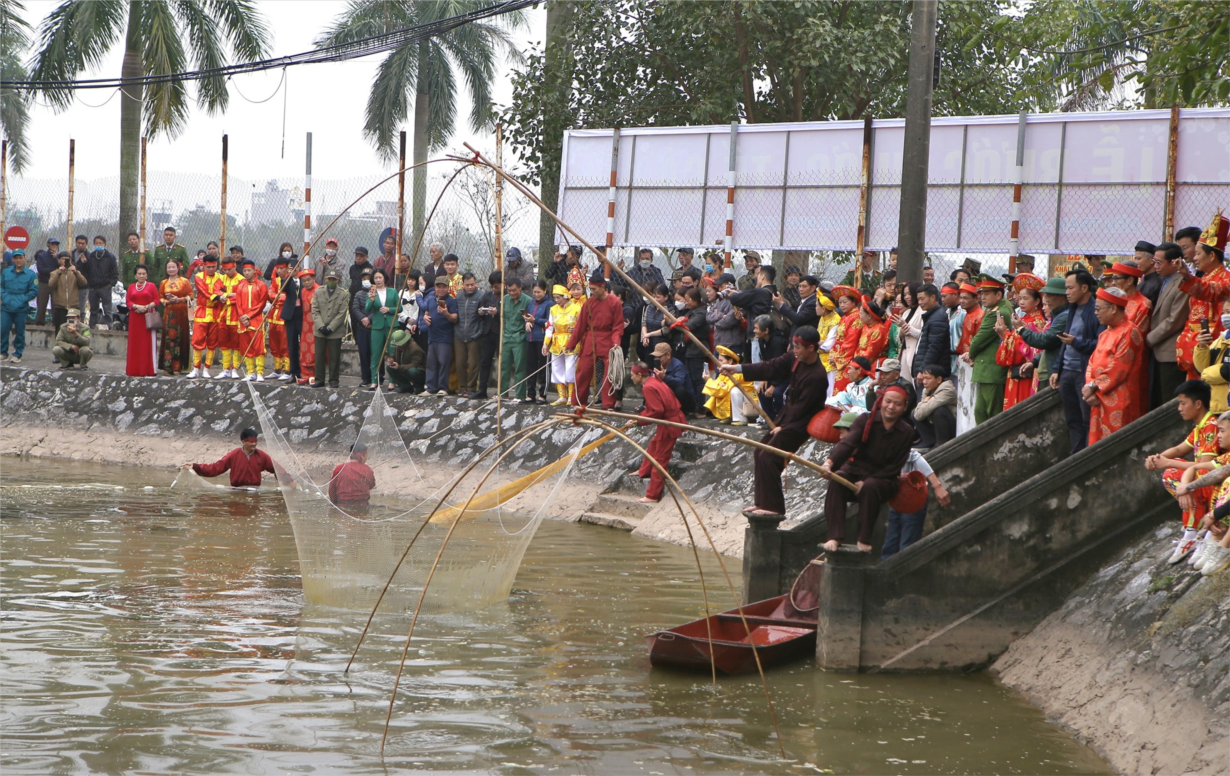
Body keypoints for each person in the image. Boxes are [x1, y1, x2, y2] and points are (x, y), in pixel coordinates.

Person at [725, 326, 829, 517]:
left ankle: (774, 507)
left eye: (798, 347)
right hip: (787, 417)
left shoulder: (818, 376)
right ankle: (761, 502)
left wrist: (783, 427)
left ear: (811, 348)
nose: (794, 351)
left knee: (770, 458)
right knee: (760, 452)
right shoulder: (794, 358)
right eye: (794, 346)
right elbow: (770, 366)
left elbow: (802, 408)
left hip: (800, 424)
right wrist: (738, 368)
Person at [820, 384, 915, 552]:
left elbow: (895, 466)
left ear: (904, 407)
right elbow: (847, 444)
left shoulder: (906, 431)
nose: (891, 407)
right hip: (855, 470)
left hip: (884, 479)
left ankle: (864, 538)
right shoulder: (864, 420)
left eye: (897, 404)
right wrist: (830, 463)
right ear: (881, 401)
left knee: (870, 486)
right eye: (888, 401)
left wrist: (865, 482)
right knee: (837, 480)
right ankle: (834, 536)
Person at [1146, 380, 1219, 563]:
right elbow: (1179, 450)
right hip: (1206, 484)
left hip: (1217, 485)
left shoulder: (1212, 426)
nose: (1179, 408)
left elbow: (1204, 466)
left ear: (1198, 403)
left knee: (1172, 473)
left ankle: (1193, 532)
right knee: (1173, 471)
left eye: (1182, 403)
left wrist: (1170, 466)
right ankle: (1193, 531)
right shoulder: (1200, 427)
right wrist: (1157, 459)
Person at [1084, 286, 1144, 445]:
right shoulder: (1104, 334)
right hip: (1098, 396)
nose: (1095, 312)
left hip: (1119, 399)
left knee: (1116, 444)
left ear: (1112, 309)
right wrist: (1090, 387)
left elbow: (1119, 368)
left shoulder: (1130, 331)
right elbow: (1092, 362)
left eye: (1098, 308)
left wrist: (1093, 386)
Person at [1051, 269, 1102, 454]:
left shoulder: (1096, 310)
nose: (1067, 292)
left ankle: (1086, 456)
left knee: (1087, 419)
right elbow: (1063, 342)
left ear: (1084, 287)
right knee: (1072, 420)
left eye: (1071, 287)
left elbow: (1100, 343)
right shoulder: (1071, 309)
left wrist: (1076, 342)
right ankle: (1075, 455)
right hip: (1067, 371)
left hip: (1084, 372)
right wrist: (1057, 369)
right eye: (1066, 288)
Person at [622, 362, 688, 502]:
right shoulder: (653, 380)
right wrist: (637, 419)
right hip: (670, 419)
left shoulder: (649, 387)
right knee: (654, 443)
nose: (631, 378)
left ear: (640, 375)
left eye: (633, 375)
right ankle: (643, 470)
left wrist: (637, 421)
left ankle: (652, 495)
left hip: (669, 423)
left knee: (660, 459)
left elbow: (656, 411)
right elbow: (654, 409)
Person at [1175, 212, 1230, 378]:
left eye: (1198, 254)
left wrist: (1188, 276)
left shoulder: (1226, 279)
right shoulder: (1205, 278)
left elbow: (1210, 291)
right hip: (1197, 345)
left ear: (1211, 255)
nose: (1195, 258)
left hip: (1211, 348)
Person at [566, 268, 624, 409]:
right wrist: (571, 344)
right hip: (591, 339)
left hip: (608, 339)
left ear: (602, 287)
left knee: (609, 374)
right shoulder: (588, 303)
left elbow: (617, 326)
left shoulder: (614, 303)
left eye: (594, 289)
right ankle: (578, 403)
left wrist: (616, 343)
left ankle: (608, 404)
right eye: (590, 289)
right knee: (583, 371)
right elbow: (580, 326)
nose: (591, 292)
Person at [881, 449, 953, 559]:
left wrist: (937, 486)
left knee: (907, 544)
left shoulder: (894, 441)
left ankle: (905, 570)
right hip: (896, 495)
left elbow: (915, 457)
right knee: (891, 542)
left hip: (913, 493)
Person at [1104, 260, 1153, 418]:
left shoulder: (1143, 304)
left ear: (1130, 280)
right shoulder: (1118, 302)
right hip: (1109, 355)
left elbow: (1135, 336)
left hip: (1130, 359)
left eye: (1117, 279)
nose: (1114, 282)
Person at [964, 275, 1014, 424]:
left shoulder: (997, 313)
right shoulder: (995, 308)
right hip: (986, 370)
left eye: (986, 294)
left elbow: (979, 340)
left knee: (991, 413)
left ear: (998, 294)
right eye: (981, 293)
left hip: (991, 370)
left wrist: (971, 354)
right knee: (981, 411)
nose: (982, 297)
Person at [1148, 242, 1191, 408]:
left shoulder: (1181, 283)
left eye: (1159, 262)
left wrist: (1150, 338)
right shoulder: (1165, 281)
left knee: (1169, 401)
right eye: (1154, 261)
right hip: (1160, 350)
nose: (1155, 266)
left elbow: (1175, 320)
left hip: (1171, 352)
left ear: (1173, 262)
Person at [1008, 276, 1069, 387]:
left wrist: (1021, 329)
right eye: (1019, 298)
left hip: (1052, 373)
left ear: (1062, 297)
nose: (1046, 299)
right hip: (1046, 371)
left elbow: (1045, 341)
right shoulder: (1057, 315)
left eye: (1049, 295)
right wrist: (1034, 362)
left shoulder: (1063, 317)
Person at [995, 283, 1047, 410]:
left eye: (1025, 298)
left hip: (1025, 373)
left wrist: (1004, 335)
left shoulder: (1036, 321)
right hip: (1018, 372)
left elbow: (1022, 350)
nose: (1021, 302)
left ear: (1037, 301)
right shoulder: (1025, 319)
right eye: (1020, 299)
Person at [182, 428, 276, 488]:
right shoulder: (234, 455)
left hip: (255, 492)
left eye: (255, 441)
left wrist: (289, 482)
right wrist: (195, 466)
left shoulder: (262, 456)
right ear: (243, 442)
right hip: (237, 491)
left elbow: (277, 469)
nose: (254, 444)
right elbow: (216, 468)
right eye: (251, 441)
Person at [670, 287, 710, 416]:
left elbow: (689, 326)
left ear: (694, 300)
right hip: (689, 349)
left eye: (688, 300)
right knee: (691, 380)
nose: (686, 303)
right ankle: (693, 406)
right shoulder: (691, 312)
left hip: (697, 349)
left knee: (698, 380)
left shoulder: (701, 313)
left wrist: (681, 322)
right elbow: (676, 322)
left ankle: (700, 408)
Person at [312, 269, 351, 389]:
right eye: (329, 279)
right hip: (320, 329)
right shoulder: (318, 292)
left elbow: (342, 313)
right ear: (325, 279)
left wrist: (330, 328)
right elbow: (315, 310)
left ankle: (334, 379)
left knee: (334, 356)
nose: (331, 281)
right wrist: (321, 326)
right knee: (319, 356)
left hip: (335, 331)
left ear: (338, 280)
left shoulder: (343, 294)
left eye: (334, 279)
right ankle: (319, 379)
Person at [188, 256, 224, 379]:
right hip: (202, 311)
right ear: (203, 266)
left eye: (213, 267)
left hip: (215, 313)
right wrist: (219, 296)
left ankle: (207, 369)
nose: (211, 269)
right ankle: (196, 369)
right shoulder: (198, 277)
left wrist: (221, 294)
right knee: (197, 341)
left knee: (212, 343)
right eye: (208, 267)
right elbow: (204, 292)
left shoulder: (221, 277)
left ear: (217, 266)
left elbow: (223, 290)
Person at [421, 275, 458, 395]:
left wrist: (446, 313)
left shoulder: (451, 301)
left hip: (445, 337)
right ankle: (430, 387)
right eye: (438, 287)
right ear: (435, 287)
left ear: (448, 288)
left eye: (444, 287)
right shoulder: (431, 299)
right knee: (431, 363)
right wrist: (425, 317)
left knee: (443, 362)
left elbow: (454, 318)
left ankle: (443, 388)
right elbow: (426, 312)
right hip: (432, 336)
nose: (441, 289)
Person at [234, 259, 270, 382]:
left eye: (249, 270)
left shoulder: (262, 285)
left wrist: (249, 316)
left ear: (254, 270)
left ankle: (260, 372)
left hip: (256, 320)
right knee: (246, 347)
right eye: (244, 271)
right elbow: (238, 304)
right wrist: (242, 317)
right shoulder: (240, 286)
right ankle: (250, 372)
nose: (247, 273)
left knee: (259, 346)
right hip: (243, 321)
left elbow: (261, 304)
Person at [545, 283, 581, 405]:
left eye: (558, 297)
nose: (556, 300)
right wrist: (546, 344)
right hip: (556, 343)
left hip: (572, 342)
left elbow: (582, 325)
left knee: (570, 368)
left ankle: (571, 396)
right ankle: (562, 396)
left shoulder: (577, 308)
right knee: (556, 368)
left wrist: (576, 329)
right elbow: (549, 327)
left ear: (566, 296)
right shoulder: (553, 309)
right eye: (554, 298)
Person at [497, 277, 532, 402]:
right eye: (509, 290)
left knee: (519, 367)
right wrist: (503, 333)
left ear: (520, 288)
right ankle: (503, 393)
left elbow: (528, 319)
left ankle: (520, 394)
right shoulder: (505, 299)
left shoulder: (528, 301)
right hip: (506, 337)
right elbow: (504, 318)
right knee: (503, 366)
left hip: (520, 338)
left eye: (514, 290)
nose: (512, 293)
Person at [702, 346, 758, 425]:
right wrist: (717, 384)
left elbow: (722, 390)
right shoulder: (723, 373)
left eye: (721, 360)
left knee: (734, 391)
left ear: (730, 361)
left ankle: (740, 418)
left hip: (751, 403)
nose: (718, 362)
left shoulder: (737, 374)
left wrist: (709, 380)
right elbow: (718, 388)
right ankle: (730, 416)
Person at [364, 269, 400, 389]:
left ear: (384, 278)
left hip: (391, 326)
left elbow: (399, 308)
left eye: (380, 277)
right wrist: (372, 300)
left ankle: (392, 380)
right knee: (376, 353)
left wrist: (389, 309)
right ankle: (374, 380)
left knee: (392, 353)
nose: (378, 280)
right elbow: (367, 309)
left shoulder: (392, 291)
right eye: (376, 278)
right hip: (377, 326)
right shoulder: (371, 292)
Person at [1193, 299, 1230, 413]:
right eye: (1223, 312)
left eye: (1228, 311)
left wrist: (1206, 374)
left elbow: (1227, 371)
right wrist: (1202, 346)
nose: (1225, 316)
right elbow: (1201, 368)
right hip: (1216, 405)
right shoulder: (1221, 338)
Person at [453, 272, 486, 395]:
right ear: (463, 285)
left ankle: (471, 388)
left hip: (474, 335)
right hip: (459, 334)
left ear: (476, 284)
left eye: (472, 284)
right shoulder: (458, 297)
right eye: (468, 285)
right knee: (460, 363)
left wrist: (479, 332)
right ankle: (462, 387)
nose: (470, 287)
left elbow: (484, 318)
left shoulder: (481, 296)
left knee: (473, 364)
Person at [158, 259, 192, 376]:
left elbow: (191, 296)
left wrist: (179, 299)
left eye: (173, 267)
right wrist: (166, 302)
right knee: (169, 340)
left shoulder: (185, 282)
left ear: (178, 268)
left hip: (181, 314)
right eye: (169, 267)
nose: (171, 269)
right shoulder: (163, 282)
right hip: (169, 314)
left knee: (181, 339)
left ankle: (179, 367)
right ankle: (167, 366)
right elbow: (160, 297)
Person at [125, 264, 159, 377]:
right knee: (135, 343)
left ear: (147, 275)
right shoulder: (131, 287)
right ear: (135, 275)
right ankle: (133, 369)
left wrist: (147, 306)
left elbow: (157, 300)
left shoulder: (151, 286)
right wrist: (136, 306)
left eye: (144, 273)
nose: (141, 275)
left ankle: (148, 369)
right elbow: (128, 301)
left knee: (146, 343)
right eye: (139, 273)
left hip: (147, 317)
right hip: (135, 318)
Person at [912, 283, 950, 384]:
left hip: (932, 373)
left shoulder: (938, 318)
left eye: (922, 299)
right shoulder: (932, 316)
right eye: (918, 299)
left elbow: (934, 347)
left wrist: (923, 370)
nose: (919, 302)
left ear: (933, 297)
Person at [913, 363, 957, 450]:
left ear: (939, 379)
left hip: (953, 426)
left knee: (939, 411)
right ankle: (929, 442)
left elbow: (920, 413)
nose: (924, 382)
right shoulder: (926, 389)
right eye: (924, 378)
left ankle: (942, 444)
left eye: (928, 378)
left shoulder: (947, 390)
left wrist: (924, 403)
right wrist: (924, 402)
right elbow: (918, 414)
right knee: (913, 412)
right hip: (936, 424)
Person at [828, 285, 863, 392]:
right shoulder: (845, 317)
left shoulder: (856, 317)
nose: (842, 305)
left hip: (849, 360)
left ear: (853, 302)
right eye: (840, 302)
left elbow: (850, 342)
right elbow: (838, 339)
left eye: (845, 302)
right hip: (840, 357)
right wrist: (833, 354)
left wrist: (837, 358)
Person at [525, 280, 554, 404]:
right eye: (535, 292)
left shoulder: (549, 304)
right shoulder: (531, 303)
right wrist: (526, 322)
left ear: (545, 291)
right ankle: (530, 394)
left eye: (539, 292)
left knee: (543, 367)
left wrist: (535, 320)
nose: (536, 294)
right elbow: (527, 317)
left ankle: (543, 394)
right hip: (530, 338)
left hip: (543, 339)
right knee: (530, 367)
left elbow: (549, 321)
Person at [216, 256, 244, 378]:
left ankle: (235, 369)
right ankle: (226, 369)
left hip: (235, 315)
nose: (227, 272)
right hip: (222, 315)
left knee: (236, 344)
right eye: (225, 270)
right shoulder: (222, 278)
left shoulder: (241, 280)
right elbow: (216, 291)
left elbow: (240, 296)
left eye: (229, 270)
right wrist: (228, 295)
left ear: (235, 267)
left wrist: (226, 296)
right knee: (224, 343)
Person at [266, 258, 294, 381]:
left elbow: (287, 297)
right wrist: (275, 296)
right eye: (277, 268)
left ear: (287, 268)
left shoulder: (290, 280)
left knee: (284, 343)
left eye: (281, 268)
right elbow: (270, 294)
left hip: (283, 316)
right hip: (273, 315)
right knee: (274, 343)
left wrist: (277, 297)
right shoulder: (275, 280)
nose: (279, 270)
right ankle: (277, 369)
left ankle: (287, 370)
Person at [48, 251, 88, 335]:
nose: (64, 261)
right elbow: (51, 284)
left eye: (67, 259)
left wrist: (76, 272)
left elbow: (84, 283)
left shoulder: (74, 273)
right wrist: (59, 272)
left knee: (73, 328)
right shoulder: (54, 273)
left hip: (73, 306)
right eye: (62, 259)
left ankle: (72, 346)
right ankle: (59, 345)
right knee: (59, 329)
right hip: (60, 305)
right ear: (59, 260)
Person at [329, 443, 377, 507]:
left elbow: (332, 490)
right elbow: (371, 485)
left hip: (343, 505)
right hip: (362, 506)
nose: (366, 458)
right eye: (366, 456)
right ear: (362, 456)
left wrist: (334, 504)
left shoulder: (339, 468)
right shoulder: (367, 469)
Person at [385, 328, 426, 394]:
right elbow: (393, 355)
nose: (397, 347)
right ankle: (405, 387)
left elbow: (415, 364)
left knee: (413, 371)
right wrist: (391, 359)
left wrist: (399, 367)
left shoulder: (415, 349)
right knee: (389, 368)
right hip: (405, 369)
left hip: (420, 372)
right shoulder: (398, 347)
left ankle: (419, 387)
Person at [297, 270, 319, 386]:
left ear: (313, 279)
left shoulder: (319, 290)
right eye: (304, 281)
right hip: (305, 324)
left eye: (308, 280)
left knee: (315, 350)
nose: (306, 283)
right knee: (304, 349)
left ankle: (315, 375)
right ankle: (305, 375)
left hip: (316, 324)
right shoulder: (303, 291)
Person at [33, 237, 60, 325]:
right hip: (44, 282)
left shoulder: (59, 256)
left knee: (56, 305)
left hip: (55, 283)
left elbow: (60, 268)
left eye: (56, 244)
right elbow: (41, 270)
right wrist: (53, 271)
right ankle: (39, 323)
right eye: (52, 244)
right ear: (48, 245)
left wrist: (56, 258)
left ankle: (55, 323)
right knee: (41, 304)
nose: (54, 246)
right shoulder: (42, 255)